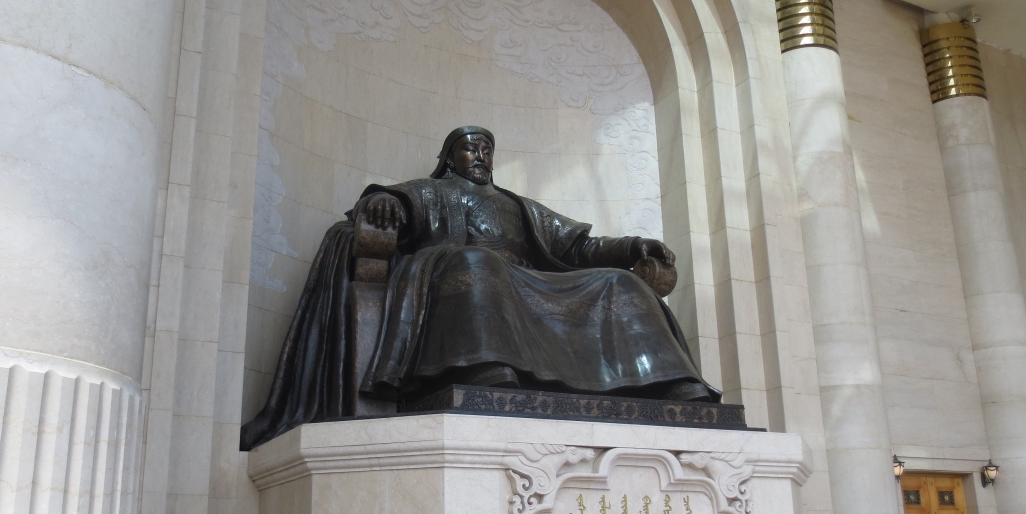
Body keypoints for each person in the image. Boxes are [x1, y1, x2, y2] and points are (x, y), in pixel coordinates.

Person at [240, 126, 718, 451]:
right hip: (462, 272)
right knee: (479, 262)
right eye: (471, 148)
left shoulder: (517, 205)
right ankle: (487, 370)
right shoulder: (431, 191)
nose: (481, 156)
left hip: (528, 282)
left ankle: (667, 380)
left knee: (619, 282)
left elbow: (578, 247)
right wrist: (384, 200)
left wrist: (632, 246)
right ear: (449, 158)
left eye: (487, 150)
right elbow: (395, 206)